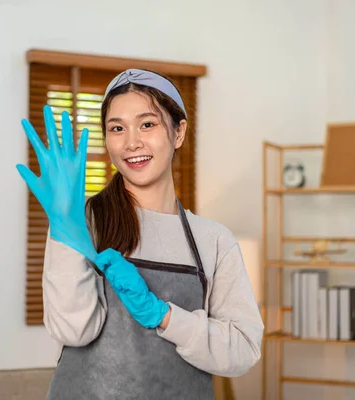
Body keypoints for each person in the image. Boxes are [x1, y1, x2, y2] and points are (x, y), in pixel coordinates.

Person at [16, 68, 264, 400]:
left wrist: (164, 316)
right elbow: (72, 331)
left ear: (178, 133)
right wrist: (64, 234)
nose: (132, 142)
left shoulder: (213, 241)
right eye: (117, 128)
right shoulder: (84, 220)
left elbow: (243, 350)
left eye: (147, 124)